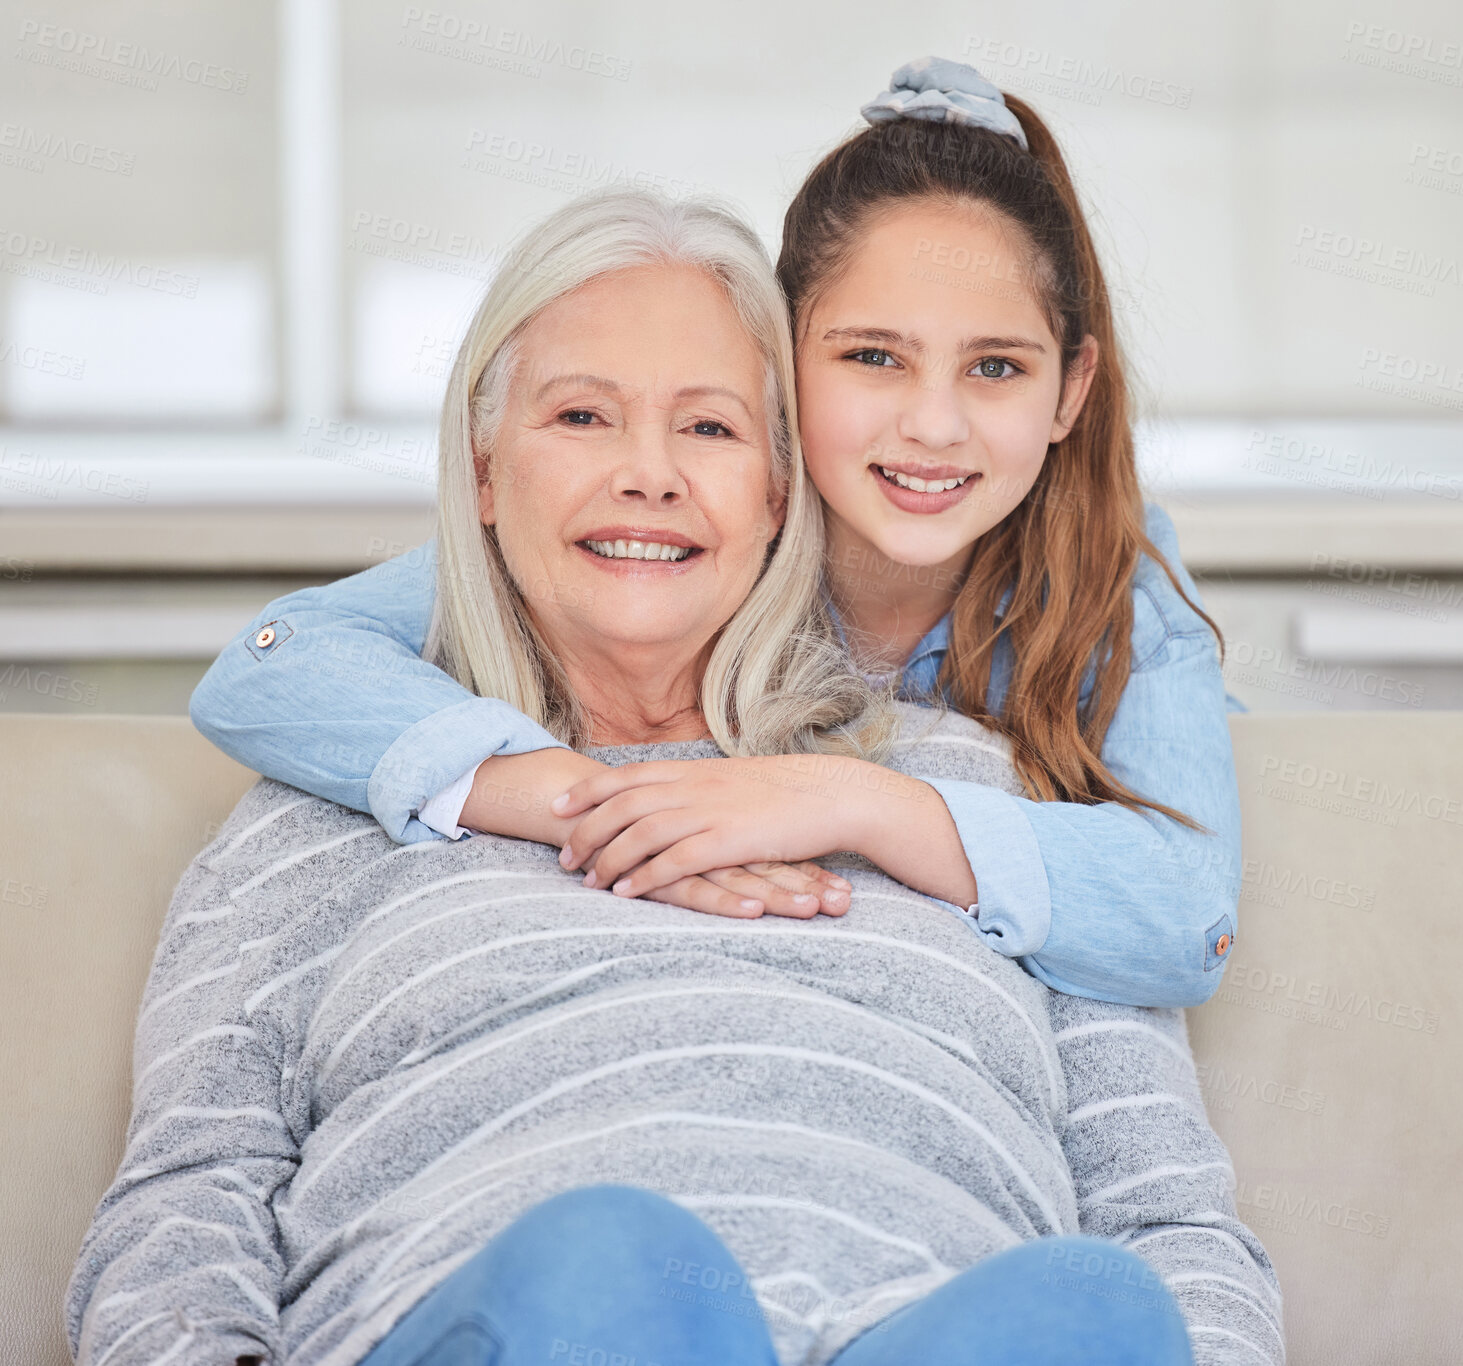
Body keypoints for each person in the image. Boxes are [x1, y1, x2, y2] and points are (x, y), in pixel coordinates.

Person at [67, 187, 1280, 1366]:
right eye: (581, 417)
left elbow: (1163, 1220)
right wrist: (579, 798)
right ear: (484, 474)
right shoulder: (333, 794)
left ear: (775, 489)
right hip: (521, 1319)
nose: (647, 473)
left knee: (1091, 1310)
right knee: (618, 1266)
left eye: (706, 426)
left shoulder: (982, 796)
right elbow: (191, 1193)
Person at [190, 59, 1242, 1009]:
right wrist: (586, 806)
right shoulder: (694, 539)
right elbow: (272, 667)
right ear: (780, 371)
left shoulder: (1117, 592)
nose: (932, 424)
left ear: (1071, 391)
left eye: (996, 366)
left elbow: (1189, 919)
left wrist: (854, 804)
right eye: (872, 357)